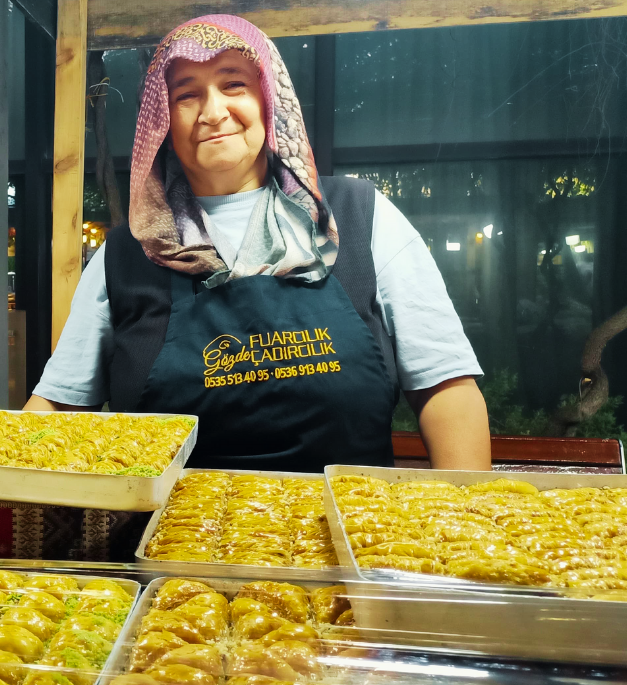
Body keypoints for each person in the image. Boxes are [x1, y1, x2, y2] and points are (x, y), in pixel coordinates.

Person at [26, 14, 491, 472]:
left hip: (353, 531)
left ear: (270, 99)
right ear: (162, 121)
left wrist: (470, 522)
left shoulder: (358, 215)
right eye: (187, 95)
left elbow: (445, 388)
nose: (213, 112)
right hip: (173, 540)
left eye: (234, 85)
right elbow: (58, 410)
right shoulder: (127, 255)